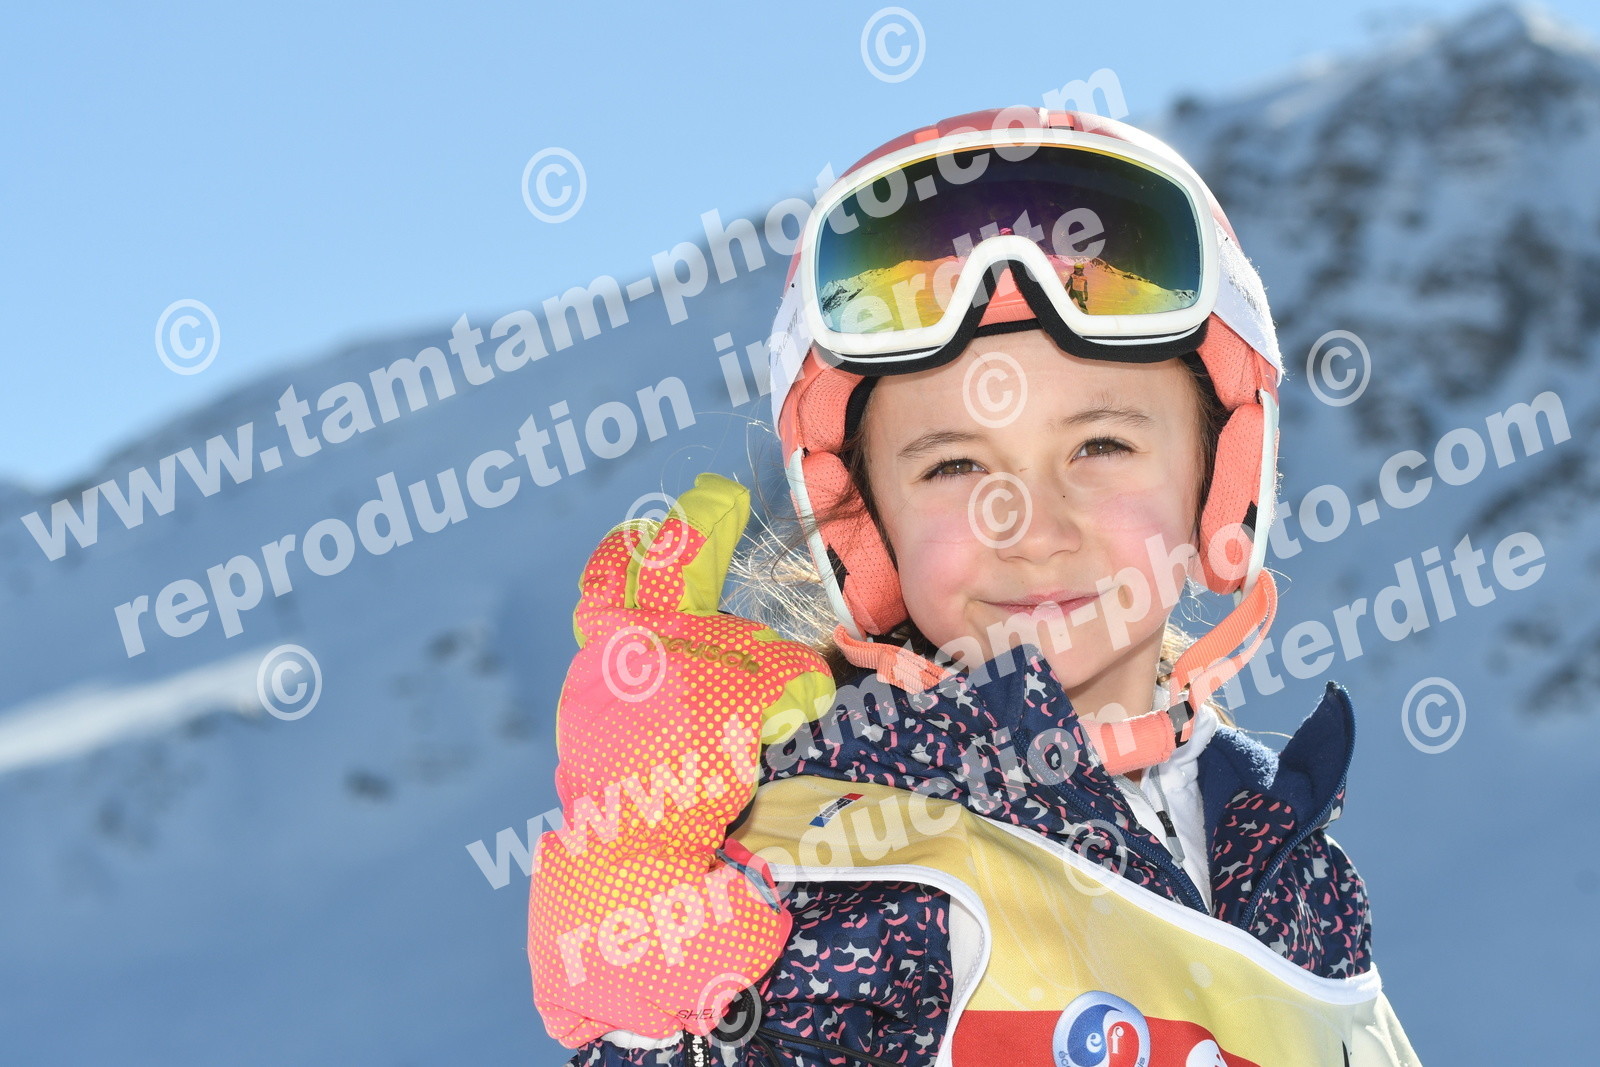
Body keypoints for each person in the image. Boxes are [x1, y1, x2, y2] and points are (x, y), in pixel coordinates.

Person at [528, 108, 1421, 1066]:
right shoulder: (853, 862)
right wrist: (651, 1001)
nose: (1031, 526)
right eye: (954, 466)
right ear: (869, 531)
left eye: (1101, 445)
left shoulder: (1289, 857)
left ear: (1218, 478)